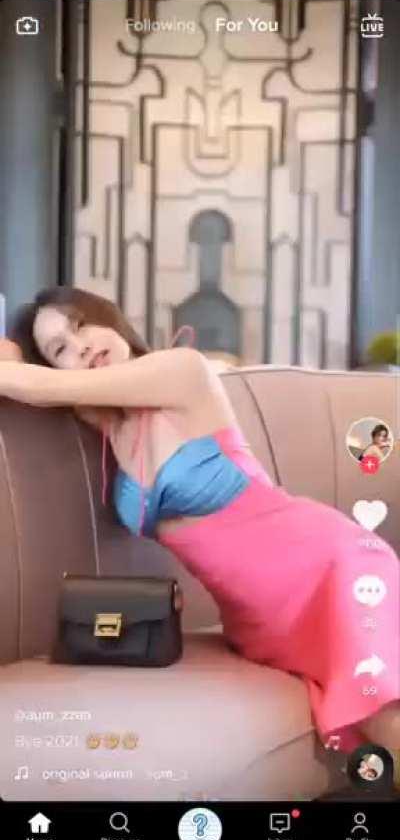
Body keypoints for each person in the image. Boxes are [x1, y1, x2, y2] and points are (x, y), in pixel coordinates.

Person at [2, 286, 400, 754]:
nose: (81, 345)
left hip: (328, 565)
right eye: (60, 349)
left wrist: (36, 369)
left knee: (378, 710)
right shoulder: (108, 422)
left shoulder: (181, 370)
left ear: (109, 317)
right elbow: (17, 368)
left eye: (81, 324)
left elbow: (36, 386)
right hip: (257, 616)